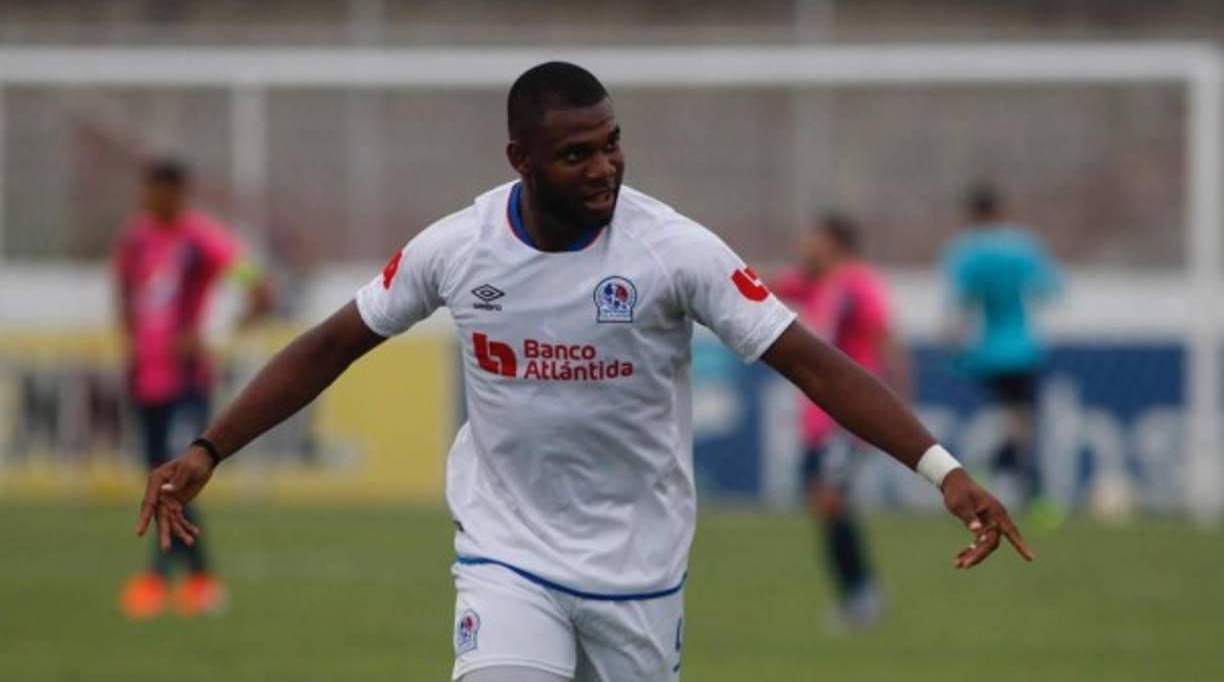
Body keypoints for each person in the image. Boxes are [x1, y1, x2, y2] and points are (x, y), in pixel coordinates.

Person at [137, 63, 1032, 681]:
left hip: (639, 567)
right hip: (506, 552)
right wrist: (210, 449)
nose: (603, 166)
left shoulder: (674, 252)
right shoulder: (459, 250)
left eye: (612, 143)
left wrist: (944, 472)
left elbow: (813, 363)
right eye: (577, 153)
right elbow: (330, 345)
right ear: (520, 161)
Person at [115, 158, 272, 619]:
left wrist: (218, 333)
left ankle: (158, 580)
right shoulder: (134, 238)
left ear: (177, 193)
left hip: (187, 382)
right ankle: (201, 580)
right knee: (156, 478)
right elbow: (125, 295)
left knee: (171, 477)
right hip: (144, 379)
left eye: (159, 190)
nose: (150, 198)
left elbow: (260, 289)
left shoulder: (202, 238)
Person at [771, 213, 910, 630]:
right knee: (825, 503)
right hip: (818, 418)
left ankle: (861, 595)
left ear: (833, 242)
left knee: (832, 499)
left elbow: (884, 338)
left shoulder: (860, 284)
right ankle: (859, 593)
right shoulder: (814, 282)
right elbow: (758, 283)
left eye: (812, 237)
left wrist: (899, 404)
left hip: (848, 416)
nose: (804, 244)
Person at [941, 184, 1061, 513]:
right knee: (1022, 423)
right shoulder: (1023, 246)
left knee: (1013, 421)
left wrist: (953, 342)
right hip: (1022, 347)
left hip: (986, 351)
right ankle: (1014, 479)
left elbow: (960, 304)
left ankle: (998, 472)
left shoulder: (967, 251)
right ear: (1000, 210)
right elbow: (1049, 291)